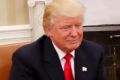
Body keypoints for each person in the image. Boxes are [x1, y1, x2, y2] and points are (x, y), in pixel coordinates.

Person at [10, 0, 106, 80]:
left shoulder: (94, 53)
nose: (74, 33)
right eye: (66, 27)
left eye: (78, 26)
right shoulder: (27, 59)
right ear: (48, 29)